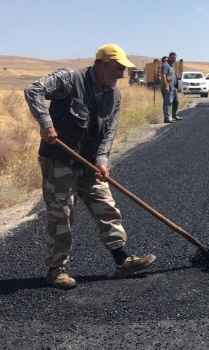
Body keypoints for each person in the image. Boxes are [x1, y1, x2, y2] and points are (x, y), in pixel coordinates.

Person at [24, 44, 157, 289]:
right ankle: (56, 270)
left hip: (88, 162)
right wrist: (45, 123)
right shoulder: (69, 79)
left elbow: (109, 133)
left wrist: (102, 161)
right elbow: (33, 90)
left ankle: (122, 260)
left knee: (105, 205)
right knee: (61, 214)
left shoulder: (115, 95)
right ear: (104, 64)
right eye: (119, 68)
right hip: (59, 159)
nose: (122, 75)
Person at [159, 52, 182, 123]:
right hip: (168, 87)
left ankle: (173, 116)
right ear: (169, 57)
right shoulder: (165, 65)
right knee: (168, 103)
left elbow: (173, 77)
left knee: (175, 102)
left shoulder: (171, 65)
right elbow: (163, 75)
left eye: (175, 58)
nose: (173, 59)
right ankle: (167, 118)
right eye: (172, 58)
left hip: (172, 87)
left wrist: (175, 87)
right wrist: (166, 86)